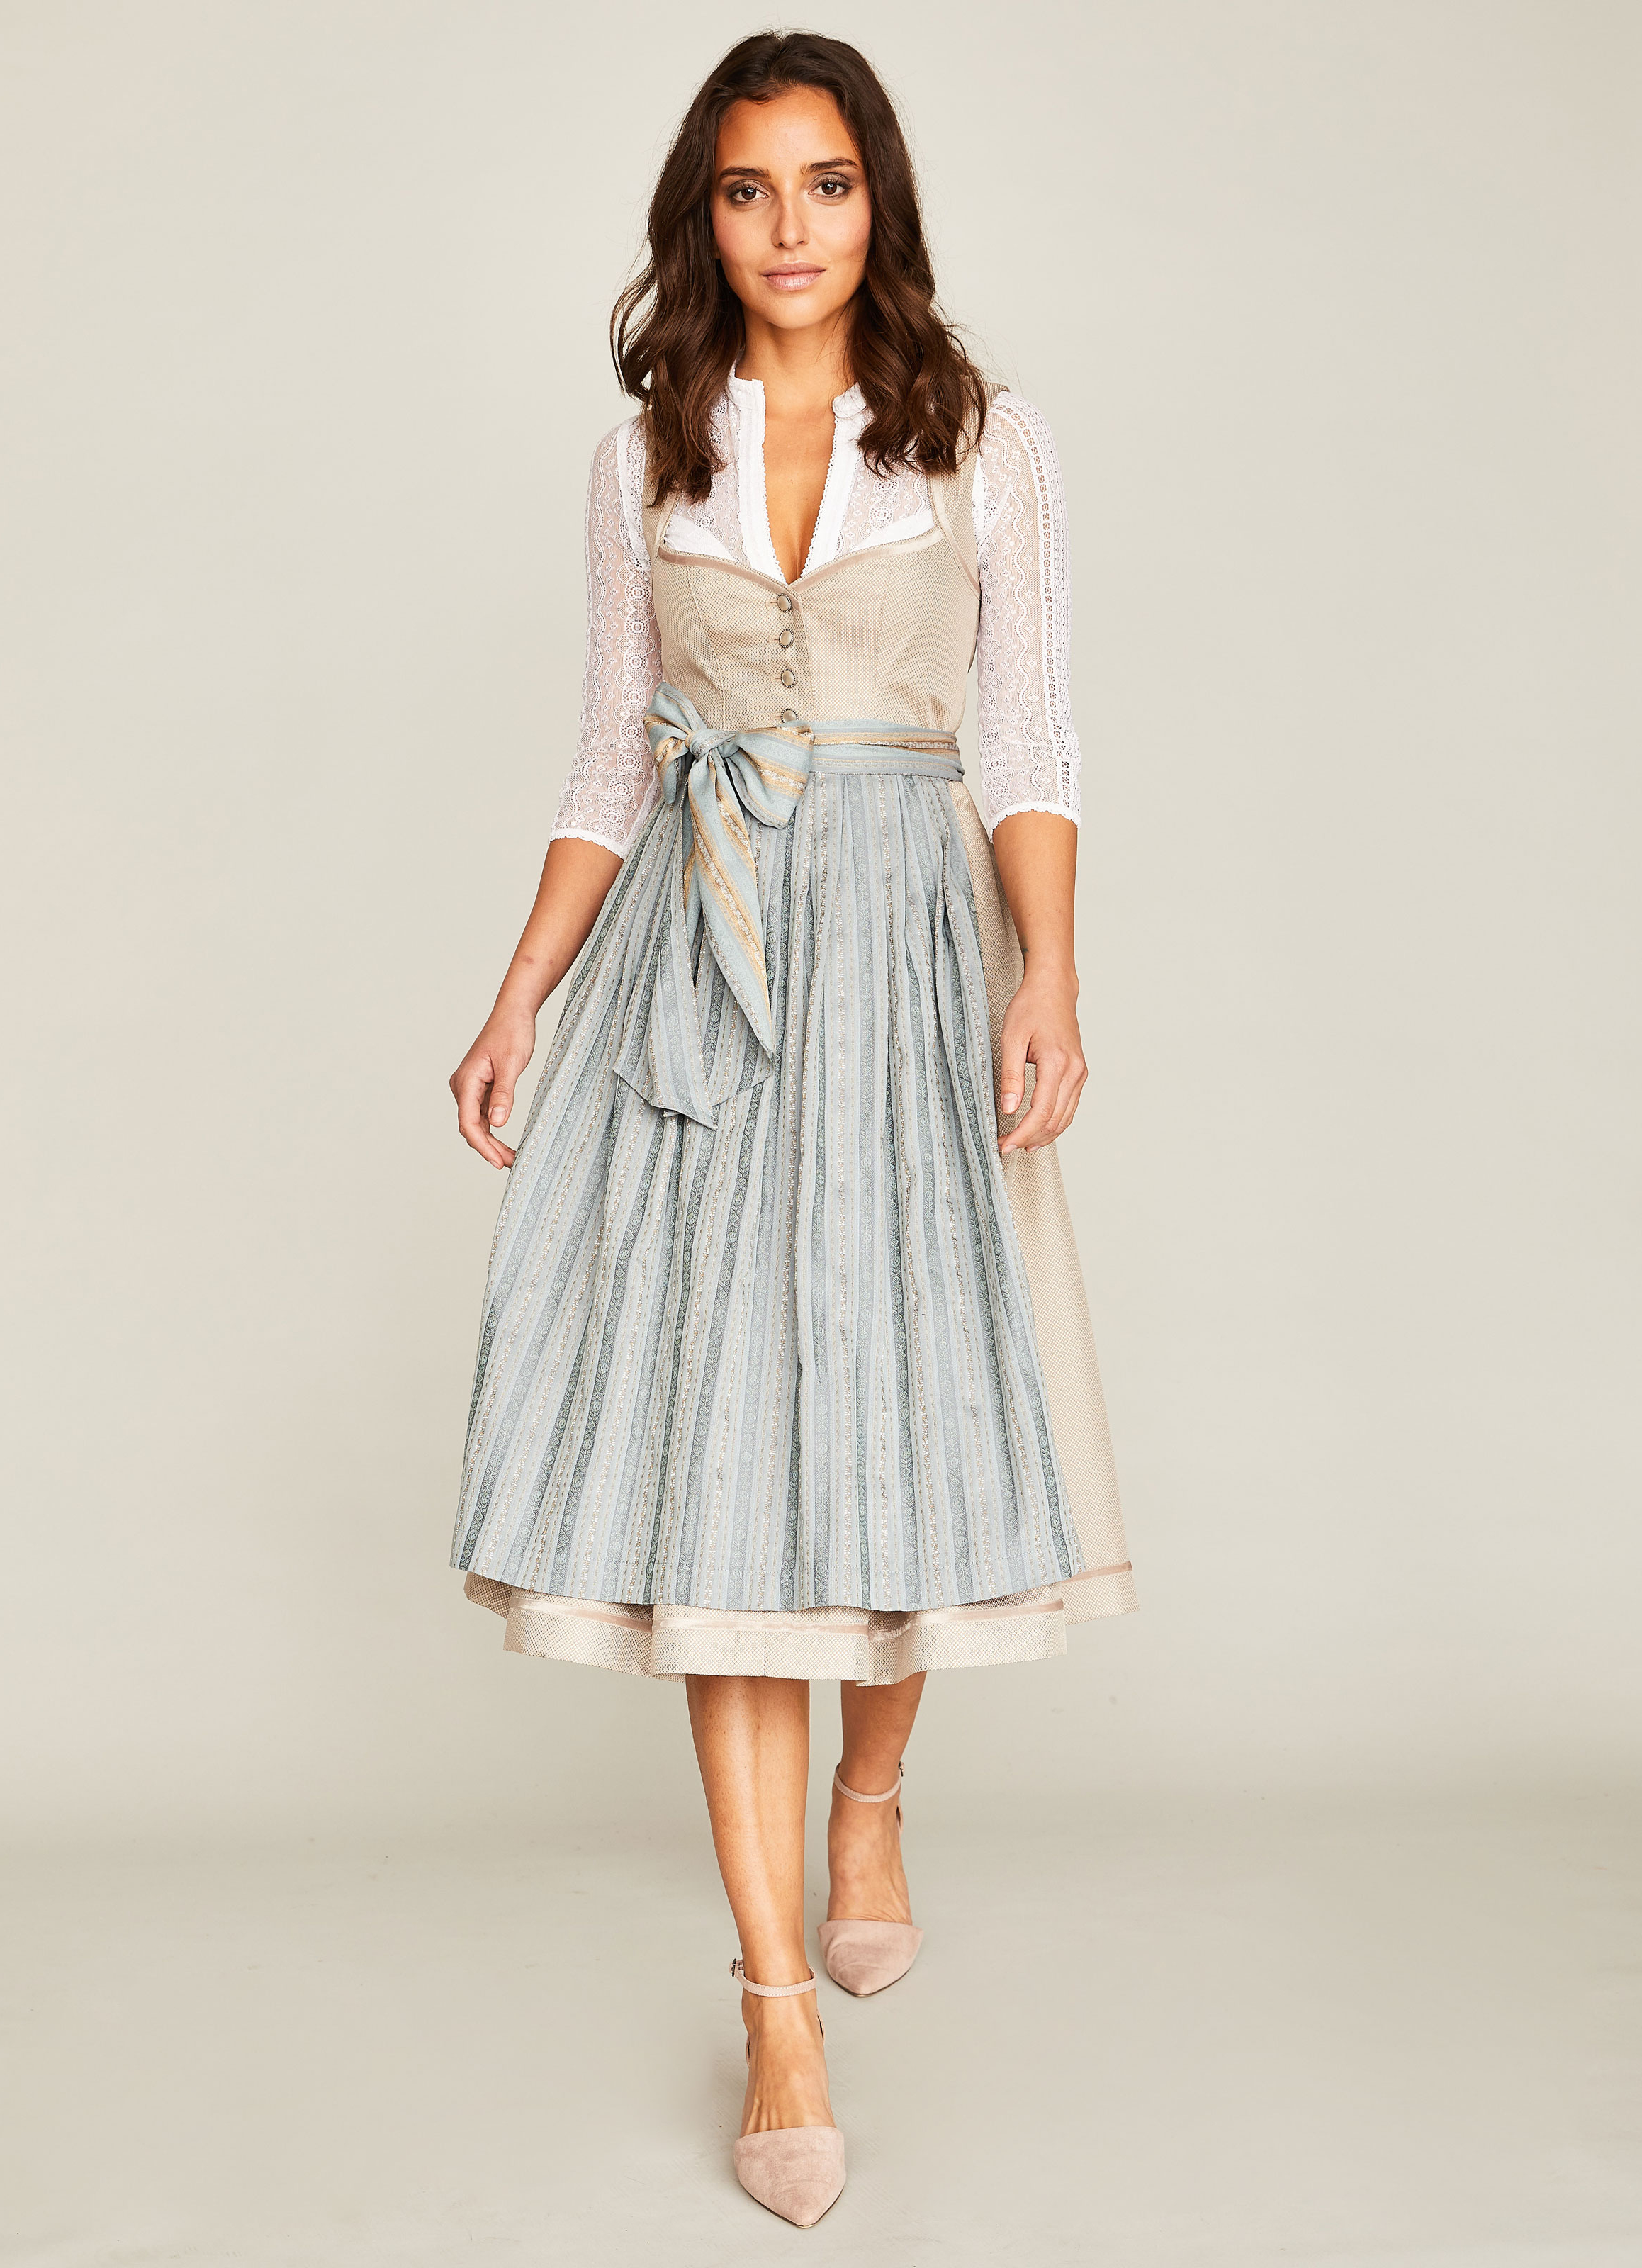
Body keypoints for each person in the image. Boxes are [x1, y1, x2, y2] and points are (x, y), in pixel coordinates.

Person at [447, 30, 1136, 2229]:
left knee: (910, 1407)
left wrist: (1049, 969)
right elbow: (609, 757)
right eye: (748, 190)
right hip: (704, 967)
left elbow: (1028, 734)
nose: (790, 228)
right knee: (727, 1468)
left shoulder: (986, 440)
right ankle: (774, 2008)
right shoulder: (647, 454)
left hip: (914, 951)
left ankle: (876, 1792)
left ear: (878, 202)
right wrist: (520, 993)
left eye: (825, 184)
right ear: (704, 218)